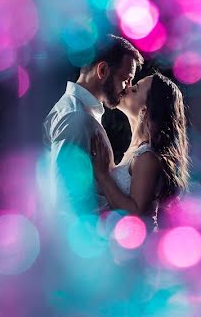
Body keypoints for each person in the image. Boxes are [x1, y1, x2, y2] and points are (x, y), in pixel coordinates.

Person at [42, 35, 143, 217]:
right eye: (125, 79)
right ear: (102, 71)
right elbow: (65, 201)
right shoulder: (76, 117)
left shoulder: (85, 111)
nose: (127, 87)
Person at [91, 71, 190, 230]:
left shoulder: (147, 157)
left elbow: (135, 215)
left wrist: (103, 176)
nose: (127, 88)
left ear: (145, 110)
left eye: (135, 89)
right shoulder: (136, 151)